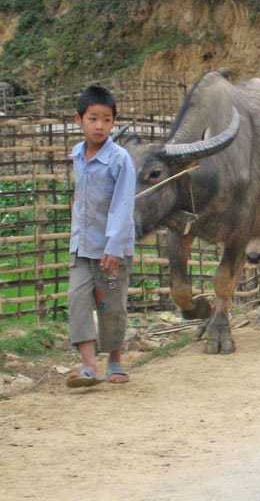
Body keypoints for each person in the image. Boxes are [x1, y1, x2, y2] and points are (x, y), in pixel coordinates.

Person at [65, 86, 136, 387]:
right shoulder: (77, 155)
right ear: (78, 119)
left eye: (106, 120)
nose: (99, 126)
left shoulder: (120, 159)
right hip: (82, 246)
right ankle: (89, 366)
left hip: (111, 248)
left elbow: (122, 204)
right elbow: (80, 198)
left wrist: (115, 246)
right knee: (77, 299)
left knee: (111, 305)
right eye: (93, 118)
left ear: (114, 123)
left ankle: (115, 361)